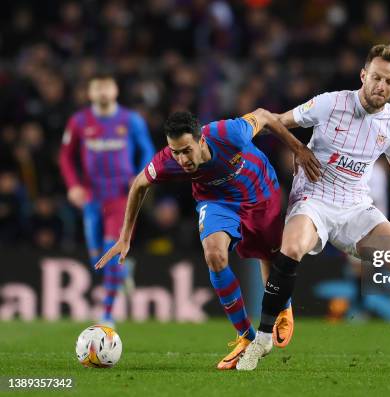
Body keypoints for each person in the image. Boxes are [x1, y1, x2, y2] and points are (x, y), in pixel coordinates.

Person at [237, 44, 390, 372]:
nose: (381, 86)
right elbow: (275, 121)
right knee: (292, 246)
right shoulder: (330, 103)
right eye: (377, 78)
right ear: (363, 76)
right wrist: (298, 148)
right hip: (314, 200)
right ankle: (263, 340)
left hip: (356, 208)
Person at [94, 109, 321, 369]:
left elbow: (265, 117)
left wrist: (298, 149)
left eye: (186, 150)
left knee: (268, 255)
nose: (181, 159)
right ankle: (245, 337)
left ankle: (283, 306)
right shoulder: (168, 160)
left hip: (259, 192)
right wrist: (125, 237)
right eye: (176, 152)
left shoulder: (229, 133)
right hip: (217, 202)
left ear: (201, 140)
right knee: (214, 255)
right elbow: (138, 185)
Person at [59, 72, 155, 327]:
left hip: (121, 197)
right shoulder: (79, 121)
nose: (102, 92)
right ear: (90, 93)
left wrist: (139, 176)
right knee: (96, 259)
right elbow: (65, 157)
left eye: (106, 87)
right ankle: (126, 271)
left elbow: (147, 150)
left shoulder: (131, 120)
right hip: (92, 197)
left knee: (110, 254)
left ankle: (107, 315)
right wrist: (73, 186)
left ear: (115, 91)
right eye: (97, 88)